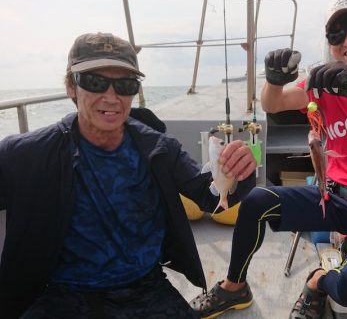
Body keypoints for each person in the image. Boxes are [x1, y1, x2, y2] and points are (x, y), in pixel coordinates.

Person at [189, 0, 347, 319]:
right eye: (336, 33)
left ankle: (317, 281)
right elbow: (274, 104)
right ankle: (235, 287)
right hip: (333, 199)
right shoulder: (322, 82)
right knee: (257, 200)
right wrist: (273, 81)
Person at [0, 32, 257, 319]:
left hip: (146, 287)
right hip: (61, 292)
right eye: (95, 81)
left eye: (125, 84)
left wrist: (238, 171)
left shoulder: (159, 148)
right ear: (71, 87)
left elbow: (208, 195)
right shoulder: (24, 154)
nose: (111, 97)